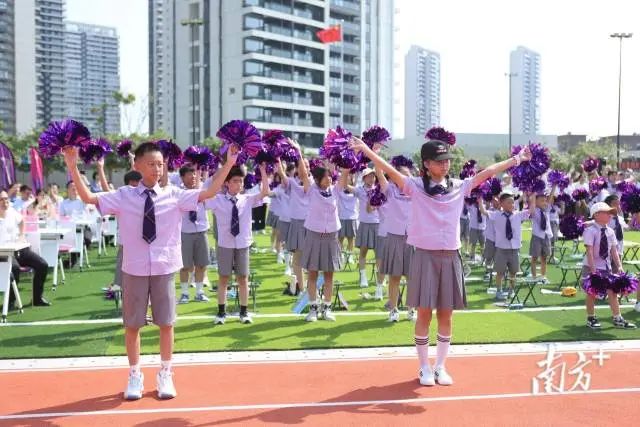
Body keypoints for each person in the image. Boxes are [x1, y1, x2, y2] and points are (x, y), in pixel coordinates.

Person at [350, 132, 532, 386]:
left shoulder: (459, 186)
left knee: (446, 315)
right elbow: (388, 170)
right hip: (424, 256)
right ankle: (424, 366)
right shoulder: (413, 186)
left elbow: (488, 172)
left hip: (451, 258)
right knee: (424, 314)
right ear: (426, 163)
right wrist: (368, 151)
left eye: (447, 160)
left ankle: (440, 366)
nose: (444, 164)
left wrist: (517, 159)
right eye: (439, 161)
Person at [62, 142, 235, 401]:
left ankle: (166, 373)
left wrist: (230, 162)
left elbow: (209, 191)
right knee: (133, 325)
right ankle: (135, 374)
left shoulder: (174, 194)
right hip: (134, 268)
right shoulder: (123, 196)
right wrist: (72, 166)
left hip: (164, 267)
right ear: (137, 165)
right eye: (152, 164)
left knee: (166, 323)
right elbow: (89, 198)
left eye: (161, 164)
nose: (157, 169)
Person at [206, 163, 268, 325]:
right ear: (227, 183)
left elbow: (265, 193)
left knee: (243, 278)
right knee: (223, 278)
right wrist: (219, 173)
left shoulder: (247, 199)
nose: (239, 184)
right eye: (235, 181)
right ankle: (221, 312)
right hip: (225, 244)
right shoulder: (217, 199)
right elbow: (205, 193)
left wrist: (262, 171)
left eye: (241, 181)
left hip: (242, 244)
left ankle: (244, 311)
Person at [298, 159, 345, 322]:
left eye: (330, 177)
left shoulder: (335, 190)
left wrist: (349, 158)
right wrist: (298, 153)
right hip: (314, 234)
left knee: (329, 275)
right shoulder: (312, 189)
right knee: (312, 273)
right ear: (318, 180)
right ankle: (312, 308)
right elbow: (304, 174)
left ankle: (326, 308)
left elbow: (344, 176)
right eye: (326, 177)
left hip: (331, 236)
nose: (330, 179)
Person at [582, 202, 635, 329]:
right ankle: (591, 317)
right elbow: (589, 251)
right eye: (607, 213)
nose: (610, 215)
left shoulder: (610, 231)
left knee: (613, 292)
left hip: (606, 267)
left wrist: (619, 266)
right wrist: (593, 270)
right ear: (596, 214)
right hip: (591, 266)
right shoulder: (590, 231)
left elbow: (614, 251)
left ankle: (617, 318)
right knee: (592, 293)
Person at [375, 164, 415, 322]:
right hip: (394, 237)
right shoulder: (390, 189)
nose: (404, 178)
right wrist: (373, 152)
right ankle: (393, 310)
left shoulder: (415, 191)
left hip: (412, 238)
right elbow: (379, 173)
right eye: (401, 174)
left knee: (412, 276)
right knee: (394, 276)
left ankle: (411, 309)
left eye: (407, 175)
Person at [0, 190, 50, 308]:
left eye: (6, 199)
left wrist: (22, 235)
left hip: (19, 249)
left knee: (42, 264)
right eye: (1, 199)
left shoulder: (12, 212)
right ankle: (10, 301)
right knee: (15, 268)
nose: (5, 202)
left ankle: (37, 299)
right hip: (4, 253)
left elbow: (22, 221)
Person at [177, 165, 210, 304]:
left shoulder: (203, 190)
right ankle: (184, 293)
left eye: (195, 175)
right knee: (185, 265)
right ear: (182, 178)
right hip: (185, 232)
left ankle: (199, 292)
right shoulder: (179, 192)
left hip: (201, 231)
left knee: (201, 264)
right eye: (190, 175)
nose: (193, 178)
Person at [492, 193, 531, 300]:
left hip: (514, 249)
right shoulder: (497, 215)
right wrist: (480, 200)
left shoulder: (518, 215)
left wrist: (533, 195)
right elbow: (484, 212)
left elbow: (531, 211)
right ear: (502, 204)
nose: (512, 204)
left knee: (513, 272)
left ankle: (511, 290)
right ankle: (499, 290)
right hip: (502, 249)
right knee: (500, 272)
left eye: (513, 202)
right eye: (509, 202)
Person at [354, 168, 379, 288]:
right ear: (364, 178)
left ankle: (380, 278)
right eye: (369, 176)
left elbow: (373, 208)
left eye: (373, 176)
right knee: (363, 252)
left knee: (379, 253)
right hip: (364, 223)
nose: (372, 178)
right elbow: (346, 186)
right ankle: (363, 277)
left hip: (377, 224)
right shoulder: (359, 190)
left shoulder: (379, 190)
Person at [529, 193, 552, 283]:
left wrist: (554, 186)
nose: (544, 202)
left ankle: (543, 276)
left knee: (544, 257)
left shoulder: (546, 210)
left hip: (546, 236)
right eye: (541, 201)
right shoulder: (534, 211)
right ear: (536, 202)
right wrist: (534, 195)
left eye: (544, 200)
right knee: (534, 258)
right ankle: (534, 277)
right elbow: (532, 204)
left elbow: (550, 199)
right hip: (537, 236)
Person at [337, 173, 358, 265]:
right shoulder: (340, 189)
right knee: (340, 238)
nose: (347, 179)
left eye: (349, 177)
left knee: (351, 239)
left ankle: (349, 256)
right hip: (342, 217)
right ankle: (340, 255)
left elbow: (357, 176)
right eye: (345, 177)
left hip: (352, 217)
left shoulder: (355, 190)